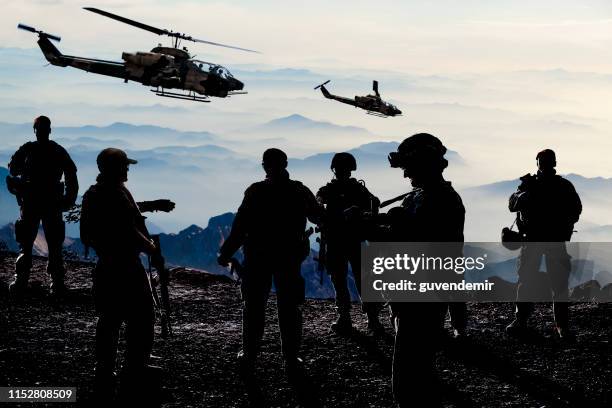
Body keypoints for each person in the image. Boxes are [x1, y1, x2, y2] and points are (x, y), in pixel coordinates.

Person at [217, 148, 322, 388]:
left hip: (258, 258)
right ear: (286, 164)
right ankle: (291, 358)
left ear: (265, 166)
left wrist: (225, 254)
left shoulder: (255, 191)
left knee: (254, 306)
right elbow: (319, 217)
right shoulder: (300, 191)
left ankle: (250, 355)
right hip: (289, 258)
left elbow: (239, 227)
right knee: (290, 307)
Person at [380, 133, 465, 407]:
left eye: (410, 167)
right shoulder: (424, 197)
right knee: (417, 372)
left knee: (409, 376)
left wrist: (385, 225)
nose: (405, 174)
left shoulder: (439, 201)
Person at [80, 148, 161, 405]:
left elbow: (87, 234)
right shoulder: (116, 194)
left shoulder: (92, 194)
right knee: (142, 316)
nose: (127, 170)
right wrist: (151, 248)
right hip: (126, 265)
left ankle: (105, 369)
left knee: (109, 318)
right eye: (124, 166)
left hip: (105, 265)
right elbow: (129, 229)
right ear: (114, 168)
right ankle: (135, 367)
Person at [506, 149, 582, 339]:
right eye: (542, 160)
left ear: (553, 163)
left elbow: (575, 210)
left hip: (550, 239)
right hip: (533, 239)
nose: (544, 164)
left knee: (555, 282)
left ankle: (559, 325)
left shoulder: (562, 186)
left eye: (546, 161)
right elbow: (512, 205)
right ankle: (524, 320)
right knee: (529, 279)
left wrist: (563, 223)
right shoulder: (530, 184)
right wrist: (521, 197)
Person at [6, 115, 78, 296]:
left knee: (28, 242)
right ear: (49, 130)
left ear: (36, 130)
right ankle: (56, 282)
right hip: (50, 202)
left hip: (32, 201)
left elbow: (13, 170)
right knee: (52, 243)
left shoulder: (28, 149)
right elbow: (71, 174)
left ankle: (22, 279)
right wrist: (68, 199)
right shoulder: (57, 150)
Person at [316, 152, 383, 335]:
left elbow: (318, 207)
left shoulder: (330, 190)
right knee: (358, 279)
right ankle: (370, 318)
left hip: (340, 241)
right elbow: (373, 204)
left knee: (343, 279)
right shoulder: (357, 190)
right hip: (351, 240)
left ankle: (348, 317)